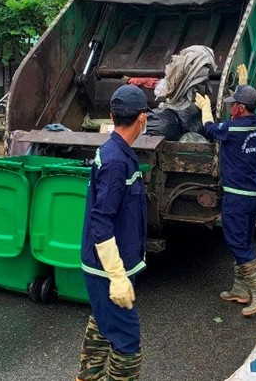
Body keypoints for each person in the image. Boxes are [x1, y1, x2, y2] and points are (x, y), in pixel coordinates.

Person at [77, 84, 149, 381]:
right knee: (127, 341)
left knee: (103, 322)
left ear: (111, 115)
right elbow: (102, 221)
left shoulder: (115, 151)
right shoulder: (116, 161)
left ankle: (87, 376)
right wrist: (117, 276)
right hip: (108, 269)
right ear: (142, 119)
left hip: (109, 264)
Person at [194, 64, 256, 317]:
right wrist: (243, 85)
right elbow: (245, 114)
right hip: (253, 194)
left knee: (237, 242)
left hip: (237, 196)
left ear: (240, 108)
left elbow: (210, 129)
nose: (230, 107)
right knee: (244, 239)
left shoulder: (233, 129)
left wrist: (206, 110)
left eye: (233, 104)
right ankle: (241, 289)